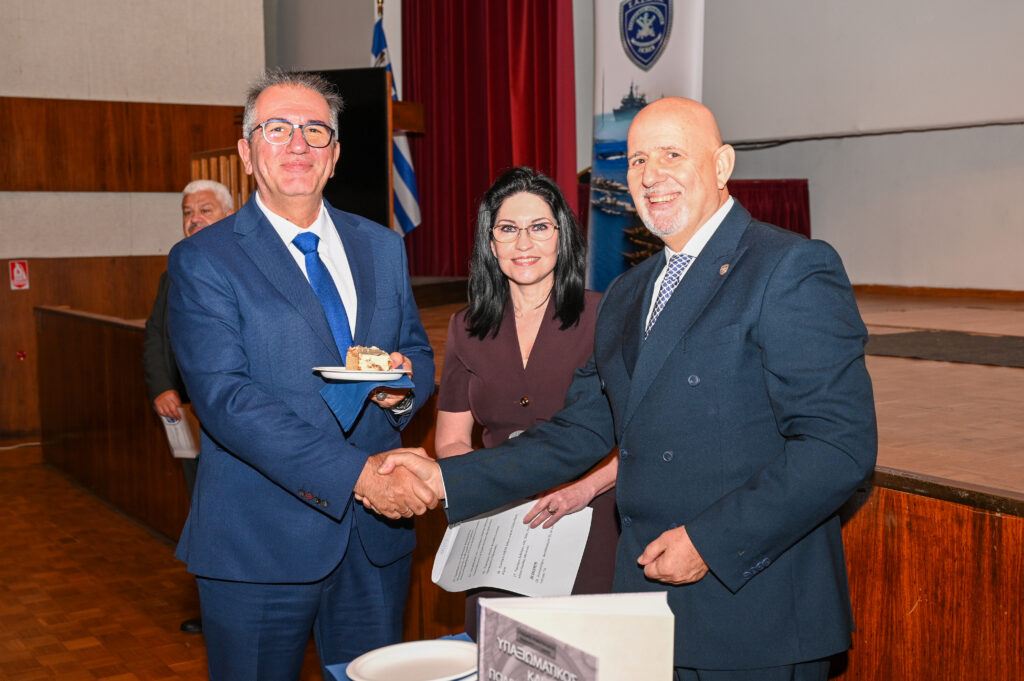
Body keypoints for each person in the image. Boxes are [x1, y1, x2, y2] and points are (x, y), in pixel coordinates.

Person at [381, 97, 878, 681]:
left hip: (754, 616)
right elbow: (578, 430)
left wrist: (710, 542)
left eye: (672, 155)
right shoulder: (628, 294)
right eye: (638, 160)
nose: (650, 175)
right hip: (647, 609)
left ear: (722, 165)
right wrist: (446, 478)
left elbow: (837, 446)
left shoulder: (788, 267)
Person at [166, 69, 438, 681]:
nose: (297, 144)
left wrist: (400, 387)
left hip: (374, 542)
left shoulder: (382, 246)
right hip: (258, 541)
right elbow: (226, 400)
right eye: (277, 129)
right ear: (246, 153)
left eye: (315, 131)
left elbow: (416, 352)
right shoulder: (203, 259)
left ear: (334, 155)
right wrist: (358, 477)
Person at [434, 167, 618, 638]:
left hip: (589, 519)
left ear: (562, 236)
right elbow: (451, 441)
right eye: (508, 229)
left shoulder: (607, 315)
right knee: (504, 657)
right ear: (490, 242)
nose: (523, 243)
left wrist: (584, 489)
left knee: (587, 657)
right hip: (500, 530)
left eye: (539, 227)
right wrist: (487, 487)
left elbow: (642, 434)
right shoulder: (465, 327)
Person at [142, 179, 234, 634]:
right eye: (187, 212)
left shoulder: (246, 267)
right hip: (189, 419)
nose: (194, 219)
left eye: (205, 211)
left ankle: (246, 611)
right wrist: (162, 386)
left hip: (236, 423)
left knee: (238, 517)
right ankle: (215, 610)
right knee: (204, 516)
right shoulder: (175, 270)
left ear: (229, 216)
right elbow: (156, 336)